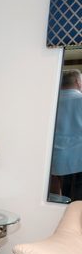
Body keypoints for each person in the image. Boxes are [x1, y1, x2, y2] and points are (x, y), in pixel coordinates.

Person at [51, 69, 82, 201]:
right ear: (78, 82)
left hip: (54, 160)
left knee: (58, 199)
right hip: (78, 161)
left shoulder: (51, 101)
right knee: (77, 204)